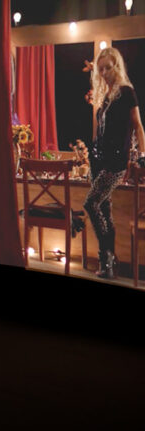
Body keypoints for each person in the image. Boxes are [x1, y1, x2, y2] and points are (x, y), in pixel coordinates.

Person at [83, 47, 145, 279]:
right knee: (105, 211)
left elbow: (138, 126)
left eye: (108, 68)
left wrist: (142, 156)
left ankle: (107, 257)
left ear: (117, 67)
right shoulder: (106, 95)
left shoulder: (127, 92)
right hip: (98, 159)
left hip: (116, 161)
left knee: (91, 204)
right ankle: (109, 265)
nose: (104, 73)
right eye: (101, 70)